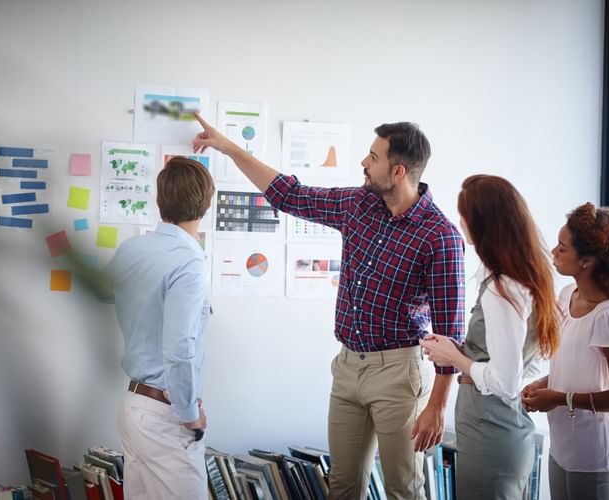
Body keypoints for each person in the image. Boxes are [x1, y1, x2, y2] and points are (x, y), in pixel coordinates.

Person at [193, 113, 465, 499]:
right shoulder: (358, 204)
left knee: (404, 489)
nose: (364, 163)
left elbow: (451, 333)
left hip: (400, 374)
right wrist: (229, 147)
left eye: (373, 156)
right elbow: (290, 194)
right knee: (342, 486)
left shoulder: (440, 237)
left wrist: (437, 406)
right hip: (348, 366)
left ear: (399, 170)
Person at [419, 174, 559, 499]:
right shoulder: (530, 276)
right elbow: (525, 362)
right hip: (503, 426)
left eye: (464, 214)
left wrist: (454, 358)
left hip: (490, 429)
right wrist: (462, 351)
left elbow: (505, 382)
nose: (459, 221)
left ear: (482, 223)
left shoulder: (502, 289)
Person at [107, 156, 215, 499]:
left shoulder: (132, 249)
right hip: (165, 414)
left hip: (133, 406)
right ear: (207, 204)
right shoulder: (189, 261)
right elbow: (180, 346)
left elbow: (105, 295)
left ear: (159, 201)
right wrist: (189, 414)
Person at [522, 203, 609, 500]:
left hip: (595, 456)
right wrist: (544, 384)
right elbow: (577, 366)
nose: (553, 253)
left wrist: (560, 398)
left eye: (562, 248)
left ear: (586, 260)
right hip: (563, 446)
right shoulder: (567, 296)